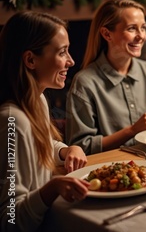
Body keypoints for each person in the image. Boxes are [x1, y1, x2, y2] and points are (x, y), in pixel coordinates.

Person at [0, 12, 89, 231]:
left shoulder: (37, 99)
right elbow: (10, 220)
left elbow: (38, 147)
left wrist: (66, 150)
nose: (71, 61)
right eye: (62, 52)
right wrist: (52, 188)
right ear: (30, 60)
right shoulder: (12, 121)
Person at [66, 0, 146, 155]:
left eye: (143, 28)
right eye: (132, 29)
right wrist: (132, 130)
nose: (141, 36)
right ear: (107, 34)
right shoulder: (85, 82)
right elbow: (80, 147)